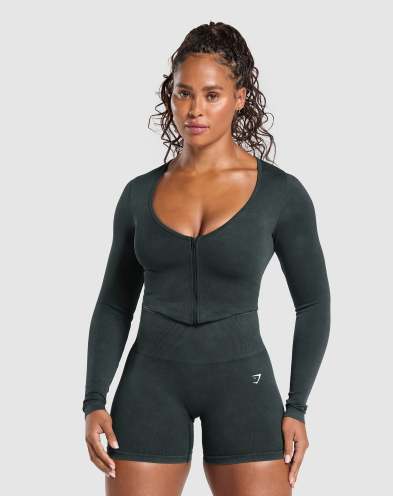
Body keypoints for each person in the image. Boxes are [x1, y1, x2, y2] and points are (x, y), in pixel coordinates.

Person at [82, 21, 331, 496]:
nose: (194, 109)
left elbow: (314, 304)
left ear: (239, 98)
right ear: (170, 96)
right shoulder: (138, 195)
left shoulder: (281, 194)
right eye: (184, 93)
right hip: (150, 384)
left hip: (243, 382)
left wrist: (297, 406)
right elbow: (114, 304)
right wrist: (94, 399)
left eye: (211, 95)